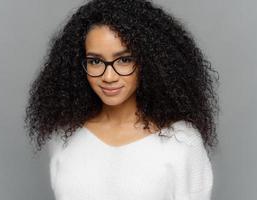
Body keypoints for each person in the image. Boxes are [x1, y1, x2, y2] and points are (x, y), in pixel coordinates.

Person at [24, 0, 219, 199]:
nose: (109, 77)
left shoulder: (181, 141)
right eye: (95, 61)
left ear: (149, 61)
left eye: (124, 60)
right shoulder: (62, 135)